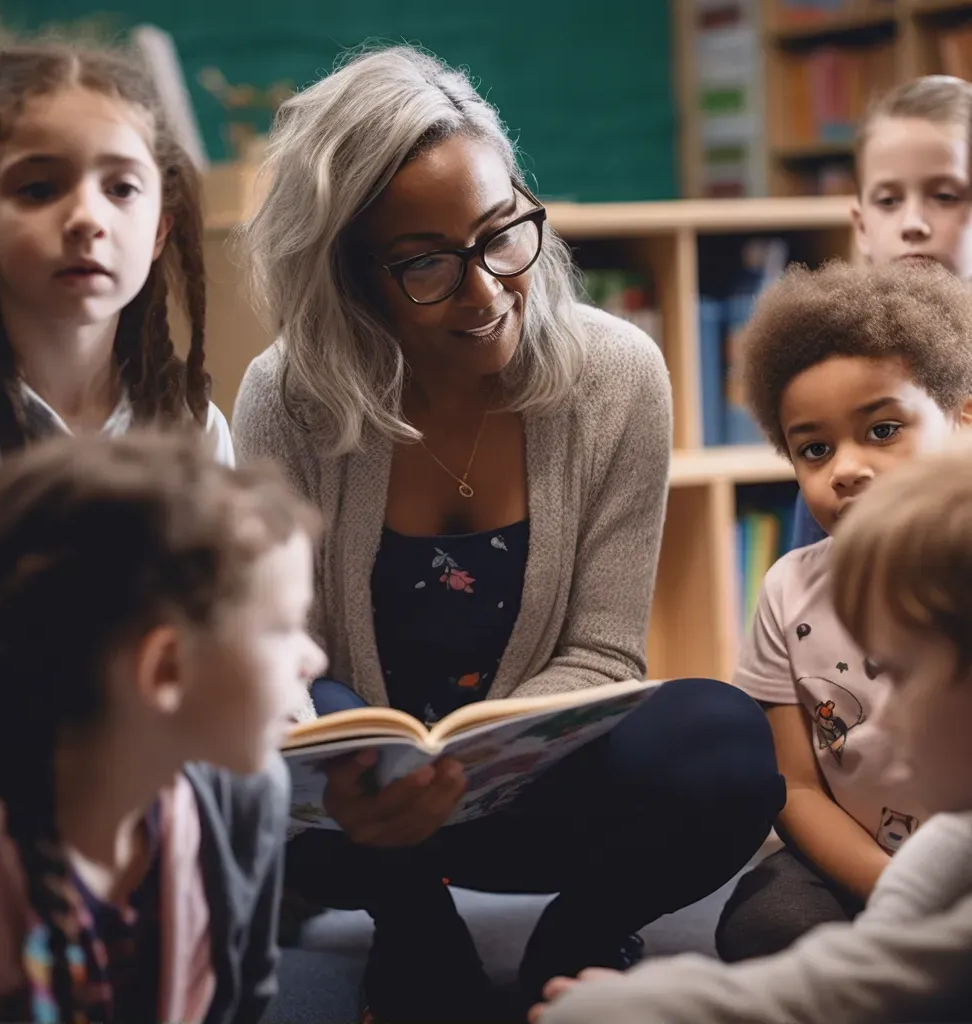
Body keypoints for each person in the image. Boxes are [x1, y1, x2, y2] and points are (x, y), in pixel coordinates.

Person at [232, 44, 784, 1023]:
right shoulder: (288, 394)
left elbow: (604, 649)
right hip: (361, 818)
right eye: (427, 264)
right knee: (222, 755)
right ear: (351, 274)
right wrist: (377, 776)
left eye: (500, 234)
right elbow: (283, 650)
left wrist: (474, 767)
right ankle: (411, 925)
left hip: (538, 791)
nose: (487, 289)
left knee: (723, 742)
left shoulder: (618, 372)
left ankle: (575, 939)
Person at [531, 441, 972, 1024]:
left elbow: (879, 979)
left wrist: (652, 1005)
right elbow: (882, 952)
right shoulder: (952, 845)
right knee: (772, 918)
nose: (887, 709)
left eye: (904, 674)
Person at [0, 430, 327, 1023]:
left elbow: (244, 1000)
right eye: (283, 628)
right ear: (166, 669)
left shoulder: (243, 801)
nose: (315, 659)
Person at [0, 40, 233, 738]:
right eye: (39, 189)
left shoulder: (191, 427)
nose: (86, 218)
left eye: (122, 188)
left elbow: (224, 624)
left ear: (161, 223)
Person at [704, 260, 972, 965]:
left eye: (882, 430)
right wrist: (891, 891)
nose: (845, 468)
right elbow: (793, 785)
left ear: (963, 415)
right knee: (766, 928)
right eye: (814, 449)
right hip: (860, 864)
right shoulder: (790, 588)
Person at [791, 74, 972, 550]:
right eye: (889, 201)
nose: (913, 223)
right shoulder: (845, 372)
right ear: (862, 226)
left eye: (945, 195)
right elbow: (819, 571)